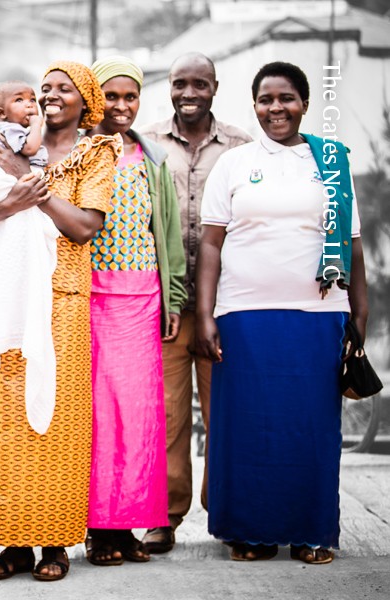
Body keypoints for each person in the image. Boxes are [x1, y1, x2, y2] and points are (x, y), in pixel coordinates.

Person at [195, 61, 367, 565]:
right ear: (254, 105)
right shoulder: (234, 163)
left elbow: (353, 245)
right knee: (247, 426)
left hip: (317, 314)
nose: (276, 108)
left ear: (305, 104)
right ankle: (250, 533)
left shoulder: (331, 163)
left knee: (311, 427)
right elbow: (211, 244)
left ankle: (313, 532)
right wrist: (205, 314)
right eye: (266, 99)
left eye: (287, 98)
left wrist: (359, 317)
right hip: (244, 315)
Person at [0, 61, 118, 583]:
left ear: (86, 102)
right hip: (6, 293)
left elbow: (85, 227)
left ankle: (54, 542)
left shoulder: (97, 153)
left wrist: (26, 180)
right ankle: (12, 543)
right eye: (44, 88)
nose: (49, 96)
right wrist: (12, 180)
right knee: (1, 415)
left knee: (55, 417)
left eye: (62, 89)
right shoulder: (2, 144)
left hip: (63, 299)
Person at [139, 53, 251, 554]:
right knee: (168, 417)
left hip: (223, 304)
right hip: (165, 304)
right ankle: (164, 516)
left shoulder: (242, 147)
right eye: (180, 83)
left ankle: (228, 512)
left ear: (215, 88)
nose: (189, 93)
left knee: (226, 414)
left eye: (199, 84)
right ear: (169, 87)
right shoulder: (146, 143)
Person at [83, 56, 185, 565]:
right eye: (111, 96)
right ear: (93, 97)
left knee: (139, 417)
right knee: (100, 417)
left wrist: (173, 298)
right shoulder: (78, 151)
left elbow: (166, 232)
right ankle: (99, 529)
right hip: (91, 299)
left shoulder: (151, 158)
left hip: (143, 301)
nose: (121, 106)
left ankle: (127, 525)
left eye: (130, 97)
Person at [0, 81, 47, 171]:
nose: (29, 105)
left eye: (32, 100)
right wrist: (36, 125)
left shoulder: (9, 130)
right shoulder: (10, 129)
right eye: (19, 100)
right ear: (1, 113)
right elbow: (30, 149)